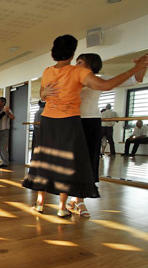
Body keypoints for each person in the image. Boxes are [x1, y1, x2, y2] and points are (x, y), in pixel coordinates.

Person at [23, 34, 147, 217]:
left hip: (67, 121)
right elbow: (45, 92)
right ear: (72, 55)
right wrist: (43, 93)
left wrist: (138, 68)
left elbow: (129, 81)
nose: (78, 63)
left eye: (82, 62)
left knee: (65, 162)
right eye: (77, 60)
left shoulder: (61, 71)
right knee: (65, 163)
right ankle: (58, 205)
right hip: (67, 122)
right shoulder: (73, 73)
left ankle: (68, 202)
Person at [0, 97, 15, 168]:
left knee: (3, 148)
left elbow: (12, 117)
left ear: (3, 103)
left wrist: (7, 112)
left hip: (4, 131)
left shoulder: (7, 109)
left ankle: (5, 163)